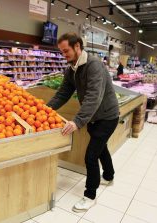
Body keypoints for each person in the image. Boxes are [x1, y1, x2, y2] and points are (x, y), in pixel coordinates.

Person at [47, 32, 119, 212]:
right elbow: (63, 93)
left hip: (107, 116)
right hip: (94, 117)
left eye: (66, 51)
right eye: (62, 52)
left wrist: (77, 121)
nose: (64, 55)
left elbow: (94, 97)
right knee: (101, 148)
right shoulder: (71, 68)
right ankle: (109, 176)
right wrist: (45, 109)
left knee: (91, 156)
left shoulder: (94, 66)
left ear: (77, 46)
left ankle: (90, 196)